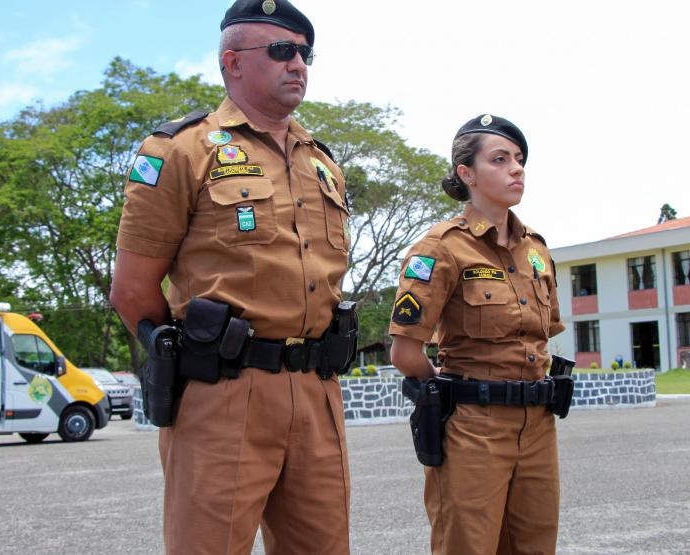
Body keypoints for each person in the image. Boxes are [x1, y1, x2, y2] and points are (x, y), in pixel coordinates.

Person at [109, 1, 352, 553]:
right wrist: (191, 356)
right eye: (281, 51)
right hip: (224, 393)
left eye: (305, 53)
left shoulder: (323, 164)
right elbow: (131, 292)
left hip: (318, 392)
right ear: (232, 62)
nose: (298, 65)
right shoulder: (180, 149)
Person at [389, 114, 566, 555]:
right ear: (466, 174)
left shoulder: (537, 251)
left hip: (538, 425)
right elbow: (406, 352)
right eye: (500, 159)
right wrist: (455, 394)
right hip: (474, 427)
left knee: (535, 545)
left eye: (519, 159)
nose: (516, 168)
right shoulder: (441, 247)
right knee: (467, 546)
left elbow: (544, 339)